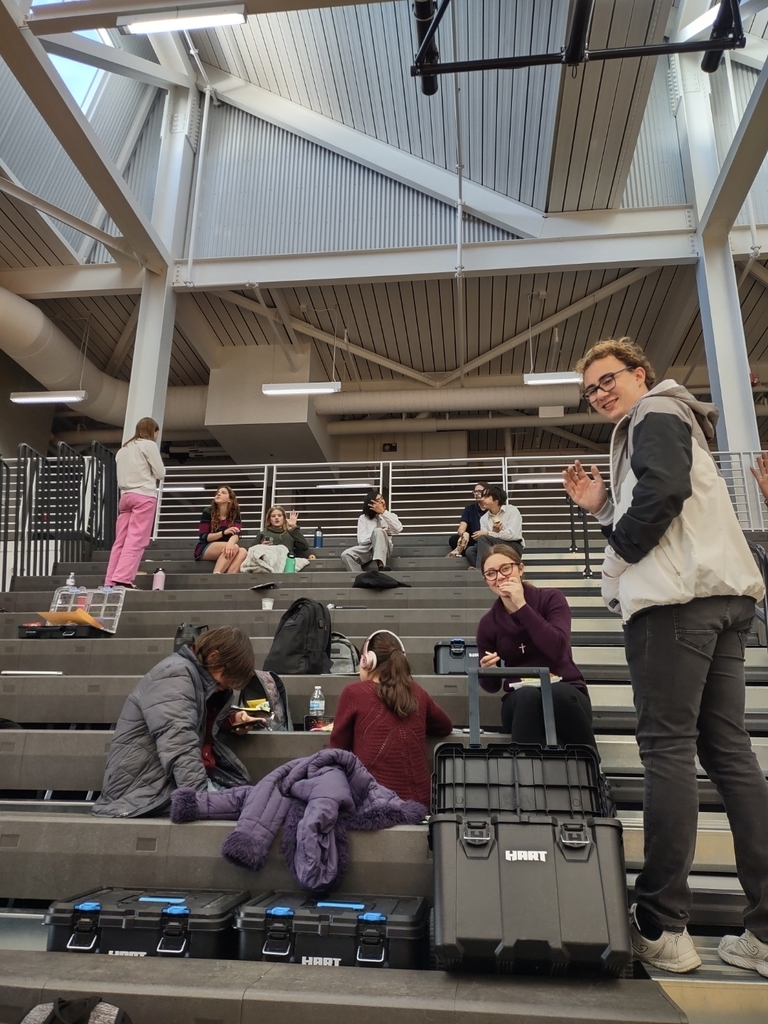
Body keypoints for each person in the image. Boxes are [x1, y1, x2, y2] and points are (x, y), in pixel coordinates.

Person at [562, 337, 768, 977]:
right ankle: (765, 932)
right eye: (590, 388)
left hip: (676, 604)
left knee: (668, 751)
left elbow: (662, 494)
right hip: (721, 598)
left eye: (608, 378)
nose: (599, 393)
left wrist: (617, 542)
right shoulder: (674, 420)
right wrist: (602, 509)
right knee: (730, 755)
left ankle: (661, 923)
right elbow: (667, 495)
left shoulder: (652, 413)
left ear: (640, 373)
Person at [93, 627, 259, 817]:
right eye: (223, 683)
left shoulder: (189, 677)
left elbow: (187, 717)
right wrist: (200, 801)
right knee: (260, 806)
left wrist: (230, 721)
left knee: (264, 801)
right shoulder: (175, 675)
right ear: (213, 657)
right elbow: (178, 743)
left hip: (169, 784)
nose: (223, 689)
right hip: (143, 792)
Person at [476, 544, 595, 747]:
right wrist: (488, 670)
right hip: (520, 698)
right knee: (527, 697)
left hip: (566, 691)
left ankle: (590, 770)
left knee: (557, 693)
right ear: (486, 580)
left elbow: (557, 648)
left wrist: (521, 606)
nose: (500, 577)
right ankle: (526, 776)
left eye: (506, 568)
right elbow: (491, 686)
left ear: (520, 569)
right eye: (491, 573)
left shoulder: (551, 599)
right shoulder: (488, 623)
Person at [329, 630, 453, 806]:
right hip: (420, 803)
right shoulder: (417, 692)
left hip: (373, 802)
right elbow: (445, 726)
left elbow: (336, 750)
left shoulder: (353, 693)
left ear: (366, 661)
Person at [104, 417, 165, 589]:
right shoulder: (148, 445)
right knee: (136, 540)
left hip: (125, 497)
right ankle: (123, 578)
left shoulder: (123, 450)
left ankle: (110, 579)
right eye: (156, 433)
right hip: (144, 495)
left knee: (120, 541)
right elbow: (160, 473)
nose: (156, 436)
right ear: (152, 431)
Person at [341, 489, 403, 574]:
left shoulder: (391, 516)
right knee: (346, 554)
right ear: (371, 505)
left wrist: (383, 513)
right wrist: (376, 534)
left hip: (384, 548)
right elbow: (361, 540)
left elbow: (398, 529)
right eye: (378, 501)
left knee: (379, 531)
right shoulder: (363, 518)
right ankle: (359, 576)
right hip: (367, 549)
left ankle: (381, 567)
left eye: (382, 498)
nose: (382, 502)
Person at [465, 484, 524, 567]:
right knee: (470, 551)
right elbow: (486, 539)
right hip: (494, 546)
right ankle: (488, 570)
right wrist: (492, 533)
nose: (482, 499)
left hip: (513, 545)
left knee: (483, 538)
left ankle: (479, 572)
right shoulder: (484, 518)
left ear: (496, 500)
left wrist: (488, 533)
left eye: (486, 497)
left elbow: (512, 535)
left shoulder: (512, 511)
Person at [194, 485, 247, 574]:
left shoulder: (235, 513)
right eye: (217, 493)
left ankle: (227, 582)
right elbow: (203, 537)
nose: (218, 494)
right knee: (235, 547)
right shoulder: (208, 511)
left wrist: (231, 542)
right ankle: (216, 575)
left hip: (227, 547)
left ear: (230, 499)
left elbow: (236, 533)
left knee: (243, 552)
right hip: (206, 547)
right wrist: (223, 533)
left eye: (223, 493)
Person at [447, 481, 489, 557]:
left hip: (486, 538)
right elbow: (461, 528)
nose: (476, 494)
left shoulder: (491, 509)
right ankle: (472, 552)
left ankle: (469, 552)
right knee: (453, 539)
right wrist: (464, 534)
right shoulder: (469, 509)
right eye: (475, 492)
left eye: (479, 491)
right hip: (472, 539)